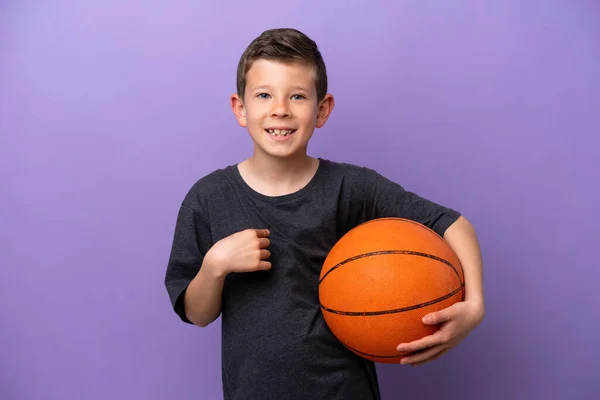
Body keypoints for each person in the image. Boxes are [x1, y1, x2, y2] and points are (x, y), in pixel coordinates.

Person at [164, 28, 485, 400]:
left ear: (322, 110)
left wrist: (473, 307)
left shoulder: (352, 187)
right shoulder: (208, 198)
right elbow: (198, 314)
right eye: (264, 95)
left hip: (344, 390)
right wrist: (215, 265)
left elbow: (453, 224)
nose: (280, 108)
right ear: (241, 108)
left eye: (297, 96)